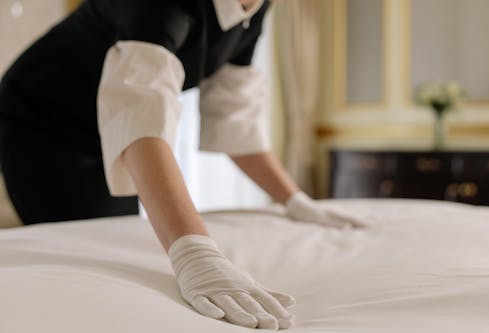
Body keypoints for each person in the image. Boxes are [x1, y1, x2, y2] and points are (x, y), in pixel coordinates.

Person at [0, 0, 364, 329]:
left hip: (106, 129)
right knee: (83, 248)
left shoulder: (253, 10)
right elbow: (139, 124)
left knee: (113, 238)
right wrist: (196, 254)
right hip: (43, 127)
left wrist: (294, 200)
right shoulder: (161, 6)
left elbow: (235, 122)